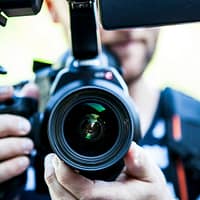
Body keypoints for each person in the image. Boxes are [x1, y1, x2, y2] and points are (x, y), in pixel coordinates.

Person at [43, 0, 200, 200]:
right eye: (99, 2)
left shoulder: (196, 130)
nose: (127, 24)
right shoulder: (14, 130)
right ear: (50, 6)